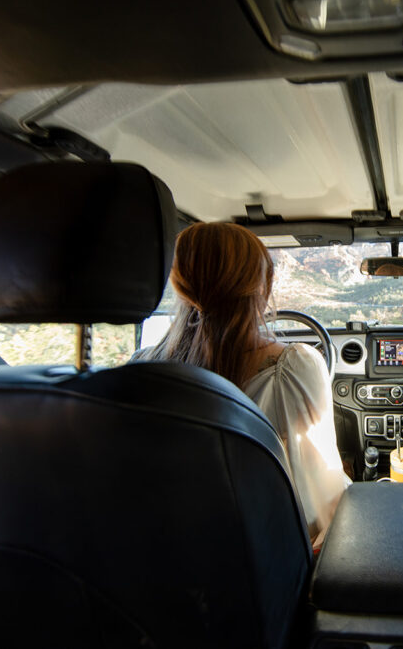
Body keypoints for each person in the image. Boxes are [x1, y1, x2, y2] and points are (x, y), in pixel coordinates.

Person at [139, 222, 350, 543]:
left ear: (180, 285)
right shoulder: (293, 368)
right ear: (263, 288)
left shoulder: (141, 366)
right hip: (270, 568)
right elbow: (324, 495)